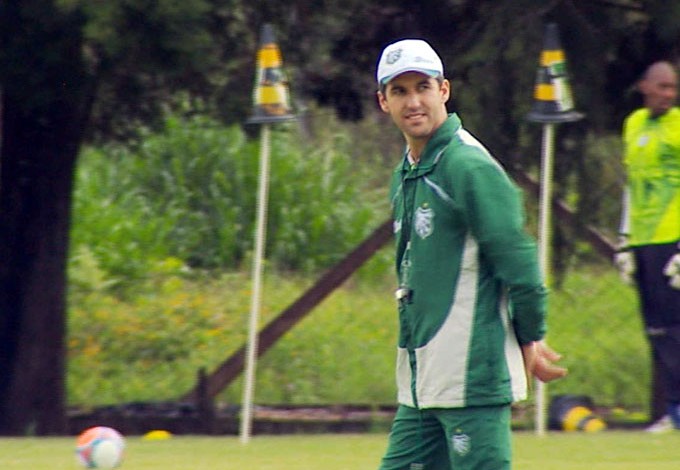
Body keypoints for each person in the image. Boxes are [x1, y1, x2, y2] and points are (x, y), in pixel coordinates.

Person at [375, 38, 567, 470]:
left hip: (470, 376)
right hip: (423, 379)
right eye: (399, 91)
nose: (413, 101)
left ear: (443, 90)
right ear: (383, 101)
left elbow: (519, 262)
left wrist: (529, 336)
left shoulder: (467, 165)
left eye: (422, 87)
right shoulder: (407, 171)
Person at [615, 60, 680, 433]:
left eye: (673, 88)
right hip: (643, 240)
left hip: (672, 238)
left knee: (675, 326)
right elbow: (631, 183)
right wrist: (624, 242)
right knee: (655, 328)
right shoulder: (634, 124)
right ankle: (671, 411)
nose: (668, 95)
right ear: (645, 86)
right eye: (662, 87)